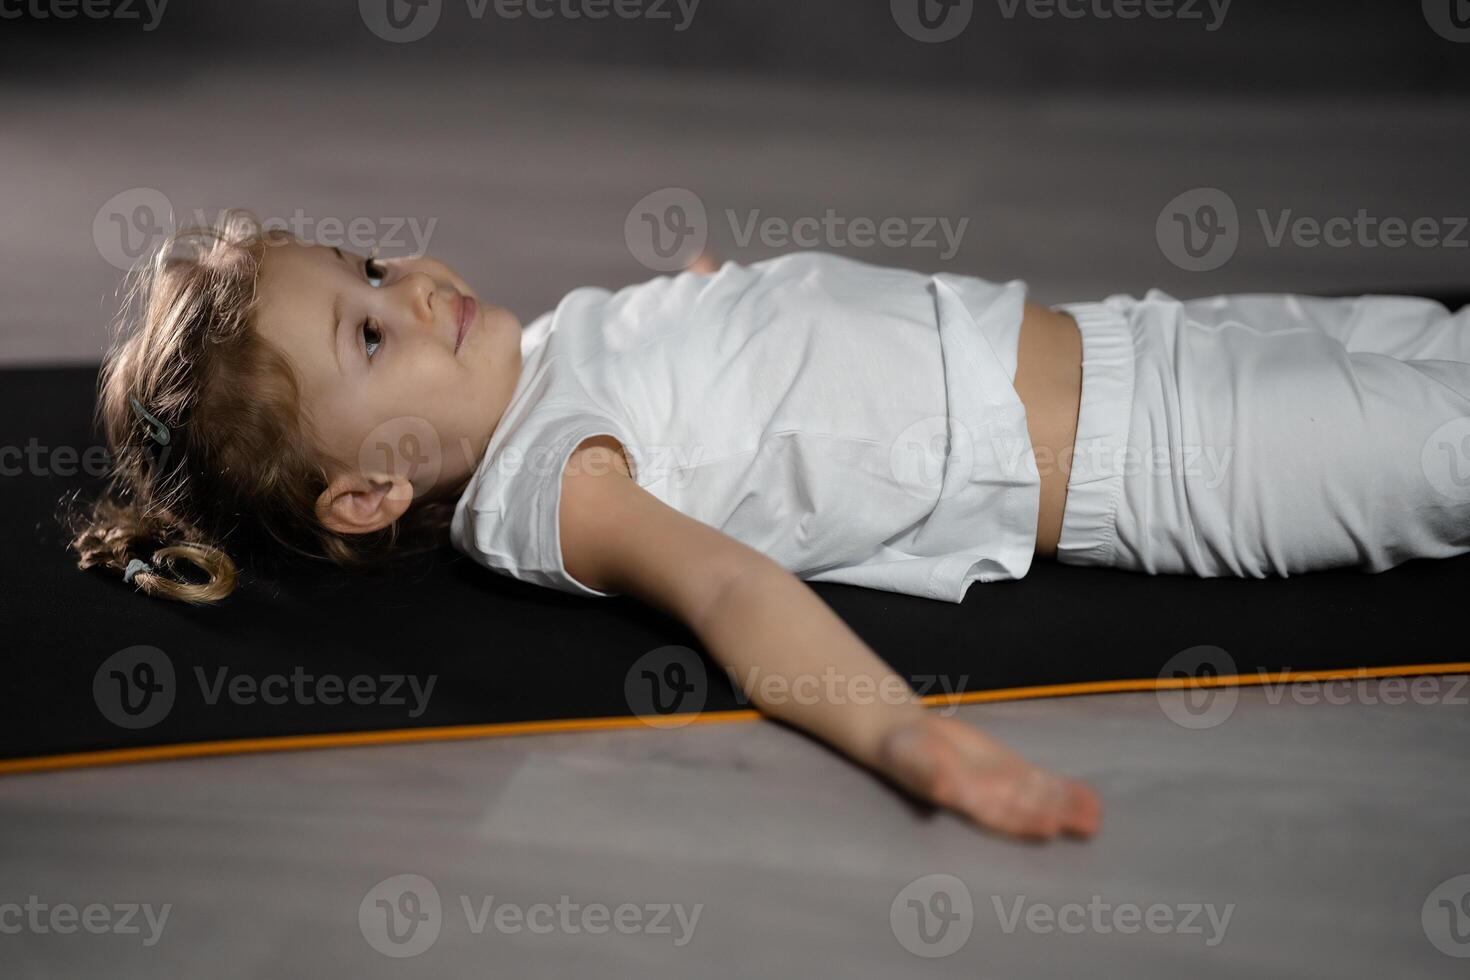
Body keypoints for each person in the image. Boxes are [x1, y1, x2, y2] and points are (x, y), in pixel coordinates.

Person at [68, 209, 1470, 841]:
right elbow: (731, 592)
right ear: (370, 490)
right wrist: (903, 735)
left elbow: (732, 370)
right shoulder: (553, 478)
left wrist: (720, 302)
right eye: (371, 332)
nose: (416, 285)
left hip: (1156, 336)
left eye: (371, 263)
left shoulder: (557, 349)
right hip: (1171, 455)